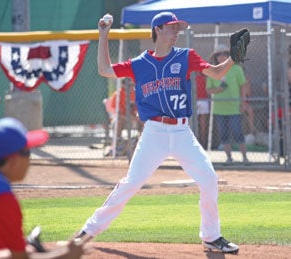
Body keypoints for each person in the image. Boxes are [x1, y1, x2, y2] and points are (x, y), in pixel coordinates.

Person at [76, 12, 241, 254]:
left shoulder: (187, 57)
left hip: (182, 131)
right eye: (172, 28)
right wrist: (103, 35)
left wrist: (234, 58)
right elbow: (104, 69)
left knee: (208, 179)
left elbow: (216, 73)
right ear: (158, 30)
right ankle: (88, 231)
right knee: (130, 184)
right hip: (154, 133)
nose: (176, 32)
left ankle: (211, 236)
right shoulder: (140, 63)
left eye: (178, 28)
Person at [0, 117, 89, 258]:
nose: (30, 160)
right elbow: (18, 257)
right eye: (27, 152)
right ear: (13, 160)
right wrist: (66, 255)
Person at [206, 44, 249, 164]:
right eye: (218, 54)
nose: (222, 56)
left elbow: (243, 86)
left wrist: (243, 102)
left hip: (234, 107)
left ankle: (245, 158)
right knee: (224, 135)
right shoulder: (212, 70)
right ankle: (229, 159)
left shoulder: (236, 68)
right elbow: (209, 90)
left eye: (224, 54)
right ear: (215, 57)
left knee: (238, 133)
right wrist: (219, 89)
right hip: (219, 109)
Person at [104, 79, 143, 156]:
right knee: (118, 121)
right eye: (129, 85)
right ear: (123, 85)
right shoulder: (118, 95)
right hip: (123, 120)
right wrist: (130, 118)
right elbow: (118, 114)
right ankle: (118, 144)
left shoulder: (136, 94)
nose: (131, 87)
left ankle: (140, 144)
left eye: (132, 85)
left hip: (135, 119)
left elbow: (140, 110)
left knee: (144, 122)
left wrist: (136, 117)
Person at [195, 72, 210, 149]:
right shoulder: (194, 78)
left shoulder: (205, 78)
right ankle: (200, 142)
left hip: (202, 101)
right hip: (197, 101)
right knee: (199, 124)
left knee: (202, 125)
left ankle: (203, 143)